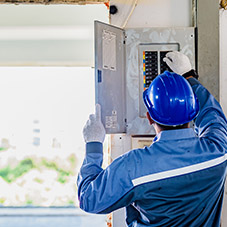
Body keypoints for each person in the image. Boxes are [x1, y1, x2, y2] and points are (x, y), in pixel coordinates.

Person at [77, 51, 227, 226]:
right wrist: (188, 76)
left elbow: (89, 199)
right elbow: (212, 115)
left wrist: (93, 144)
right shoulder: (217, 150)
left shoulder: (133, 167)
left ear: (149, 117)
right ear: (193, 112)